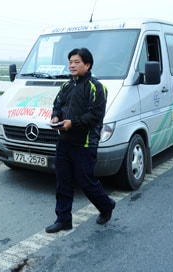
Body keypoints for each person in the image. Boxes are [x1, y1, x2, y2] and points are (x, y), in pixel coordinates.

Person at [45, 47, 115, 234]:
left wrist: (72, 124)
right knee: (63, 183)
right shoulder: (66, 86)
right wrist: (55, 117)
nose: (72, 65)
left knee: (86, 182)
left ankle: (106, 206)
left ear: (87, 64)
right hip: (64, 142)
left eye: (76, 62)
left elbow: (95, 115)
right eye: (70, 62)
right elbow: (57, 105)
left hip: (84, 143)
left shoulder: (96, 87)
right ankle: (63, 220)